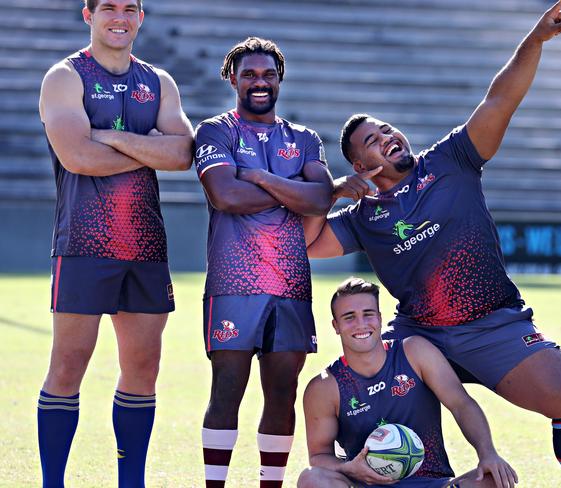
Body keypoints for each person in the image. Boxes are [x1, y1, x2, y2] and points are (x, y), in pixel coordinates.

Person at [305, 2, 561, 488]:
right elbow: (306, 241)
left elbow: (499, 100)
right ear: (361, 167)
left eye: (387, 130)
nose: (387, 138)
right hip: (419, 336)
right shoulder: (362, 218)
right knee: (373, 411)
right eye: (373, 142)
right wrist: (333, 192)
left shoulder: (451, 160)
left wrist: (535, 40)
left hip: (492, 326)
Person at [37, 0, 193, 486]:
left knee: (143, 367)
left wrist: (111, 137)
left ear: (141, 17)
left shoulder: (159, 82)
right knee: (67, 366)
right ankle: (52, 482)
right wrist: (149, 148)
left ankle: (132, 481)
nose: (119, 17)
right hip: (84, 242)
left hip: (145, 246)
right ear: (89, 15)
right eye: (108, 7)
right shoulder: (65, 77)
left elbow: (184, 152)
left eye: (130, 8)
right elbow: (79, 157)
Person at [193, 37, 333, 487]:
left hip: (290, 288)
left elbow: (321, 199)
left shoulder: (305, 138)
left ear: (279, 80)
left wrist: (258, 176)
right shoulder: (216, 131)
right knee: (226, 391)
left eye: (268, 74)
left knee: (282, 395)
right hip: (233, 285)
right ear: (233, 78)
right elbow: (224, 195)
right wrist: (290, 189)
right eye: (249, 74)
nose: (259, 82)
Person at [298, 277, 517, 488]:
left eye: (368, 314)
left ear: (380, 318)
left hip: (433, 483)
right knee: (311, 479)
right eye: (349, 317)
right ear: (336, 326)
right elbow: (319, 456)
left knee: (495, 479)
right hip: (366, 485)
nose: (361, 324)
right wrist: (349, 468)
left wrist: (487, 453)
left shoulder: (415, 352)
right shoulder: (325, 387)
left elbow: (461, 404)